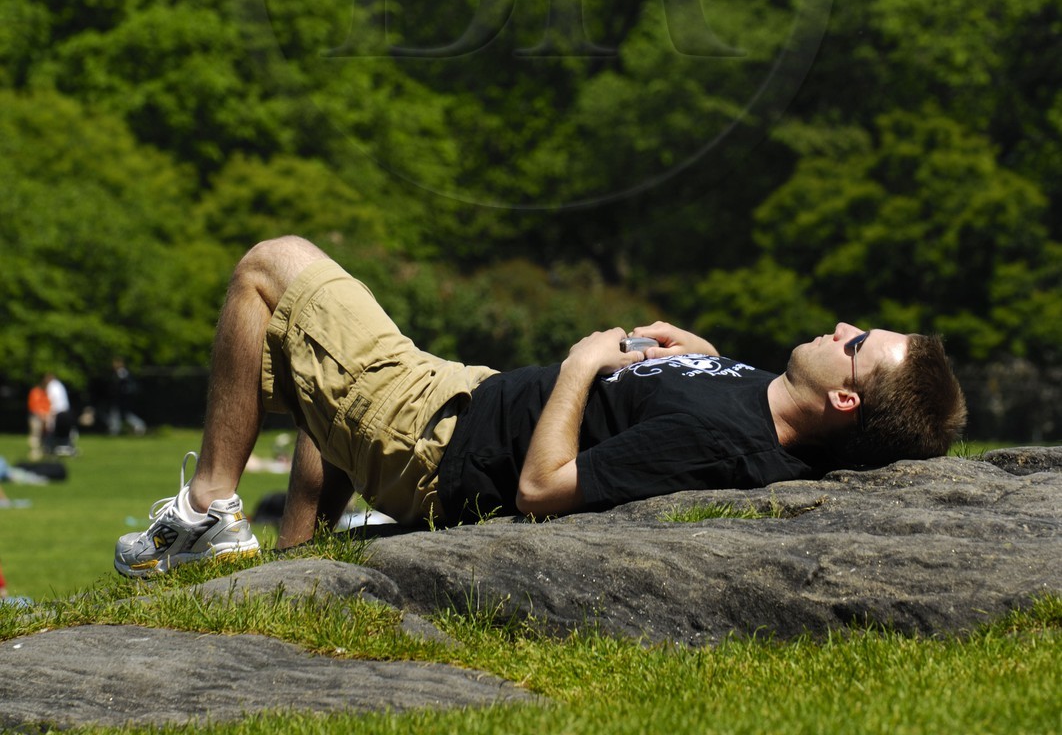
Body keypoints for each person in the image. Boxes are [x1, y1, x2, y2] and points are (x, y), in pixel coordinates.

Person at [114, 236, 967, 576]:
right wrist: (700, 357)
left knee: (271, 269)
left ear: (845, 398)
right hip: (465, 396)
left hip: (439, 443)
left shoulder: (721, 442)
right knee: (312, 387)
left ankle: (208, 513)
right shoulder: (759, 406)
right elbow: (700, 416)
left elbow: (543, 488)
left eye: (857, 343)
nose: (843, 327)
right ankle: (281, 575)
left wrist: (581, 365)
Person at [26, 381, 51, 463]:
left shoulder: (45, 393)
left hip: (44, 417)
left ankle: (43, 451)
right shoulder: (36, 392)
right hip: (36, 417)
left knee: (43, 436)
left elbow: (47, 405)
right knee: (35, 435)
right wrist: (42, 415)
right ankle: (34, 452)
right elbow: (34, 406)